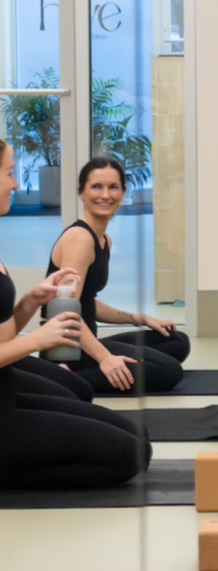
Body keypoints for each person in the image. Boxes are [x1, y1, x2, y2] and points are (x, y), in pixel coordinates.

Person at [0, 138, 151, 489]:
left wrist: (30, 302)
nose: (16, 183)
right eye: (9, 173)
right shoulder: (81, 238)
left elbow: (4, 336)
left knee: (135, 434)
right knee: (133, 455)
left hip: (6, 391)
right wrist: (38, 340)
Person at [49, 157, 190, 395]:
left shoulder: (103, 240)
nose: (105, 195)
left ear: (123, 192)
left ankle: (88, 367)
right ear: (81, 192)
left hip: (86, 341)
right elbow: (65, 311)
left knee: (177, 341)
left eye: (113, 187)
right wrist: (105, 357)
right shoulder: (80, 239)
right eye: (96, 187)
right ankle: (59, 378)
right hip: (68, 352)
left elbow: (87, 303)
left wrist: (140, 319)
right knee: (169, 371)